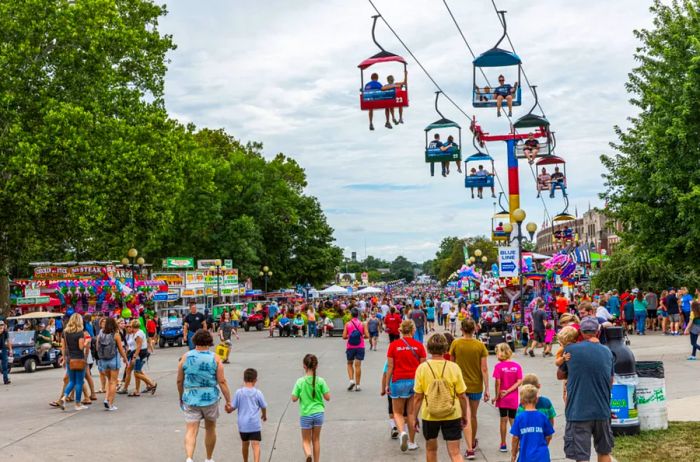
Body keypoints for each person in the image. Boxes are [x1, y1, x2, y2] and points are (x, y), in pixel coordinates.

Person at [558, 317, 614, 462]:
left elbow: (560, 375)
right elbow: (611, 381)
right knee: (604, 452)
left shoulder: (570, 350)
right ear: (597, 331)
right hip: (602, 410)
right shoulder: (607, 352)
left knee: (581, 457)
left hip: (578, 411)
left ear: (580, 333)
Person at [413, 333, 469, 462]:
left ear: (429, 348)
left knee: (431, 450)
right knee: (455, 453)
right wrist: (464, 415)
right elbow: (462, 395)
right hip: (452, 413)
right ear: (445, 348)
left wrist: (414, 417)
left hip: (430, 414)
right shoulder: (454, 367)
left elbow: (417, 397)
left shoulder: (422, 368)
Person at [177, 329, 231, 462]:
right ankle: (209, 458)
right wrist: (228, 400)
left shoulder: (185, 357)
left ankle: (189, 458)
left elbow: (179, 380)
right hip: (210, 398)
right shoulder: (215, 358)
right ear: (209, 341)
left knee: (191, 429)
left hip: (191, 397)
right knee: (210, 428)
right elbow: (222, 381)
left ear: (194, 340)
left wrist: (181, 395)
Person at [449, 319, 488, 459]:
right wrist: (487, 388)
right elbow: (484, 368)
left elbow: (451, 364)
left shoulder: (456, 343)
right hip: (476, 385)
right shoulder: (480, 345)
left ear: (462, 329)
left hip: (460, 386)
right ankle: (471, 443)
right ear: (474, 329)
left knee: (463, 415)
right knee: (473, 416)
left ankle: (468, 447)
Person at [386, 320, 426, 452]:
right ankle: (412, 442)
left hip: (398, 380)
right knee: (411, 413)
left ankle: (402, 432)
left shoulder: (393, 345)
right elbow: (423, 368)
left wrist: (387, 384)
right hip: (414, 381)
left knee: (397, 412)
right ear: (413, 330)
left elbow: (390, 367)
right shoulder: (419, 346)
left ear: (401, 330)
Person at [292, 354, 330, 462]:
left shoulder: (300, 382)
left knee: (305, 440)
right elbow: (328, 397)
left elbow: (294, 398)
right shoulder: (321, 381)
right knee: (316, 440)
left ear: (304, 366)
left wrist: (301, 394)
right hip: (319, 414)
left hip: (306, 414)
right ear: (316, 366)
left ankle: (308, 454)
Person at [229, 368, 267, 462]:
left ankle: (245, 460)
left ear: (244, 379)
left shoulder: (239, 392)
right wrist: (264, 415)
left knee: (245, 444)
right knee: (256, 445)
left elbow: (233, 407)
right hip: (254, 424)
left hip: (243, 425)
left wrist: (228, 409)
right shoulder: (258, 393)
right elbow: (263, 406)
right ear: (255, 380)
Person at [491, 343, 523, 453]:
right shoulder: (517, 366)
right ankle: (517, 443)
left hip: (502, 397)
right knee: (513, 420)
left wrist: (497, 396)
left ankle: (503, 443)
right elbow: (519, 381)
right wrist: (509, 391)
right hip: (513, 397)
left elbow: (497, 382)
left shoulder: (498, 366)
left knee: (503, 420)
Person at [510, 385, 554, 462]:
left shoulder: (519, 418)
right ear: (536, 400)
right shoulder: (543, 416)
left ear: (521, 401)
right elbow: (549, 436)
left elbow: (515, 438)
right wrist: (544, 446)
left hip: (526, 456)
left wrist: (514, 454)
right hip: (542, 456)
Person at [58, 313, 89, 411]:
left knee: (71, 381)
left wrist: (63, 358)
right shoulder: (80, 332)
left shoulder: (65, 333)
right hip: (79, 359)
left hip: (69, 359)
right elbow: (81, 347)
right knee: (79, 382)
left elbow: (63, 347)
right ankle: (78, 404)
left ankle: (64, 397)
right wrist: (86, 342)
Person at [97, 317, 128, 411]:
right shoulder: (116, 334)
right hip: (113, 359)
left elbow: (97, 347)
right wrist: (126, 359)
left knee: (109, 380)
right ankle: (110, 403)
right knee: (113, 382)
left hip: (104, 360)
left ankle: (106, 399)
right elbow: (121, 349)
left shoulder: (101, 333)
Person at [124, 319, 157, 396]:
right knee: (137, 372)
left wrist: (134, 357)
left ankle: (152, 384)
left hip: (140, 354)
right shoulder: (140, 332)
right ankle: (137, 390)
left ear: (133, 326)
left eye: (130, 326)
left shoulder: (137, 334)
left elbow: (139, 346)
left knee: (136, 373)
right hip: (142, 353)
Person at [343, 308, 368, 392]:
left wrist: (350, 336)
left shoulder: (348, 324)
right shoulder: (362, 324)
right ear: (358, 315)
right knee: (358, 365)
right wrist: (362, 336)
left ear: (351, 315)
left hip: (350, 347)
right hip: (360, 346)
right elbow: (367, 335)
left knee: (349, 363)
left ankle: (351, 381)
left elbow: (344, 336)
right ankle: (358, 385)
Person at [0, 321, 12, 385]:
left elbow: (8, 341)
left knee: (5, 366)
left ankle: (6, 380)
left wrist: (10, 350)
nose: (1, 326)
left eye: (2, 325)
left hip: (3, 350)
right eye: (0, 325)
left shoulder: (5, 332)